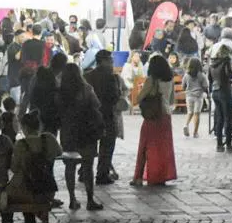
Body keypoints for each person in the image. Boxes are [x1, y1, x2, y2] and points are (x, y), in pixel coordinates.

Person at [58, 63, 104, 210]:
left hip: (68, 133)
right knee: (88, 166)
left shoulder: (60, 93)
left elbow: (57, 112)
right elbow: (97, 105)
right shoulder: (86, 89)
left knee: (70, 166)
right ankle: (90, 200)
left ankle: (72, 199)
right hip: (86, 132)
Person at [132, 54, 177, 187]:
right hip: (166, 116)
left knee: (145, 146)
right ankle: (161, 175)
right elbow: (171, 100)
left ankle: (138, 177)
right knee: (163, 148)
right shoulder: (170, 80)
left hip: (152, 116)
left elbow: (139, 98)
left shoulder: (151, 80)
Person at [85, 50, 121, 185]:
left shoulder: (87, 76)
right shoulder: (110, 77)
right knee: (107, 145)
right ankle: (102, 174)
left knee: (89, 145)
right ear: (104, 61)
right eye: (110, 60)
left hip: (90, 116)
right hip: (107, 115)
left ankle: (84, 172)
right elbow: (114, 97)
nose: (112, 63)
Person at [210, 46, 232, 152]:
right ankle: (229, 145)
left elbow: (209, 79)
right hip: (225, 91)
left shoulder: (212, 63)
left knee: (219, 118)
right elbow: (229, 74)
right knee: (228, 118)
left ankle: (219, 145)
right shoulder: (226, 61)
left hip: (215, 92)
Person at [180, 57, 209, 138]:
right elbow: (205, 86)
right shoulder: (202, 75)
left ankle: (186, 125)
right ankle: (195, 132)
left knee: (190, 112)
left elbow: (183, 86)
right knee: (197, 114)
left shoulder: (186, 75)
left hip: (189, 96)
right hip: (198, 97)